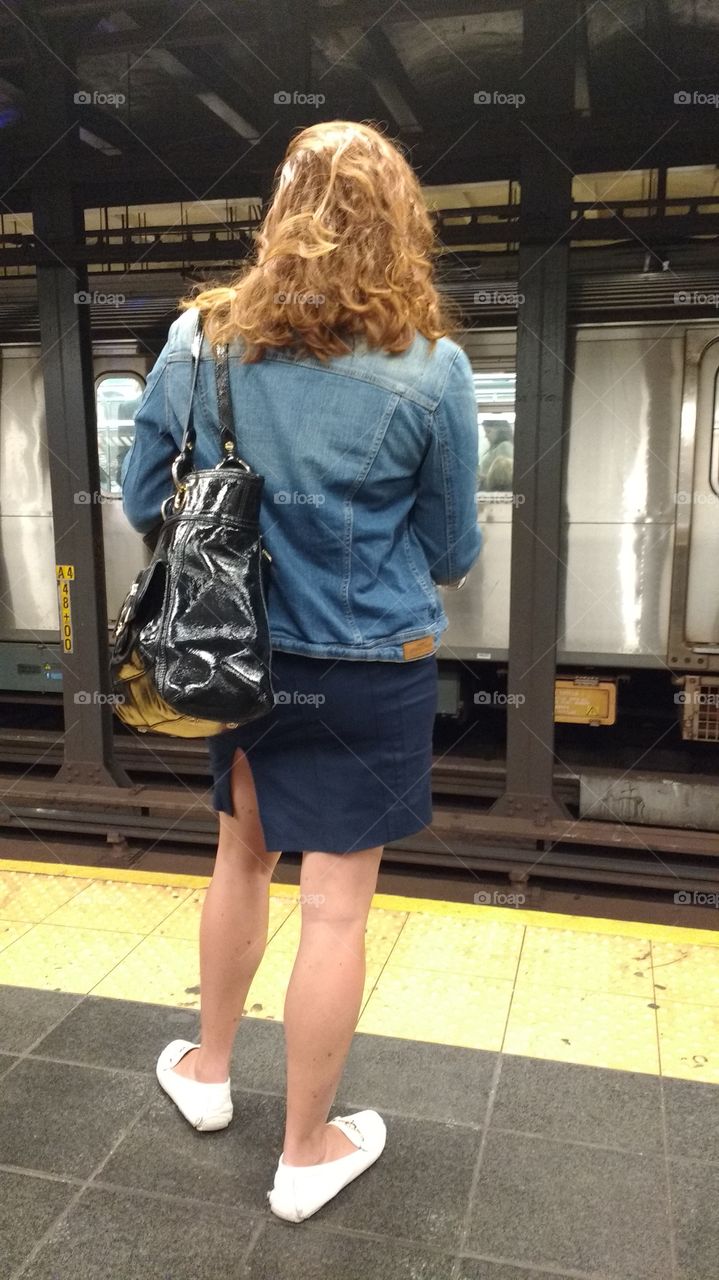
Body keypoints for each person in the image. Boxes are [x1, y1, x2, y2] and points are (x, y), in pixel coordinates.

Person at [121, 119, 482, 1224]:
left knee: (240, 854)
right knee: (335, 909)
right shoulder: (433, 366)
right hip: (374, 666)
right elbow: (453, 548)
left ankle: (208, 1073)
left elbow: (145, 501)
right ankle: (305, 1150)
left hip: (240, 660)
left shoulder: (198, 338)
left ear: (278, 217)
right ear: (398, 225)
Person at [478, 418, 514, 490]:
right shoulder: (493, 448)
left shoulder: (505, 446)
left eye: (488, 431)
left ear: (499, 431)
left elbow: (505, 476)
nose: (486, 436)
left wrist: (484, 477)